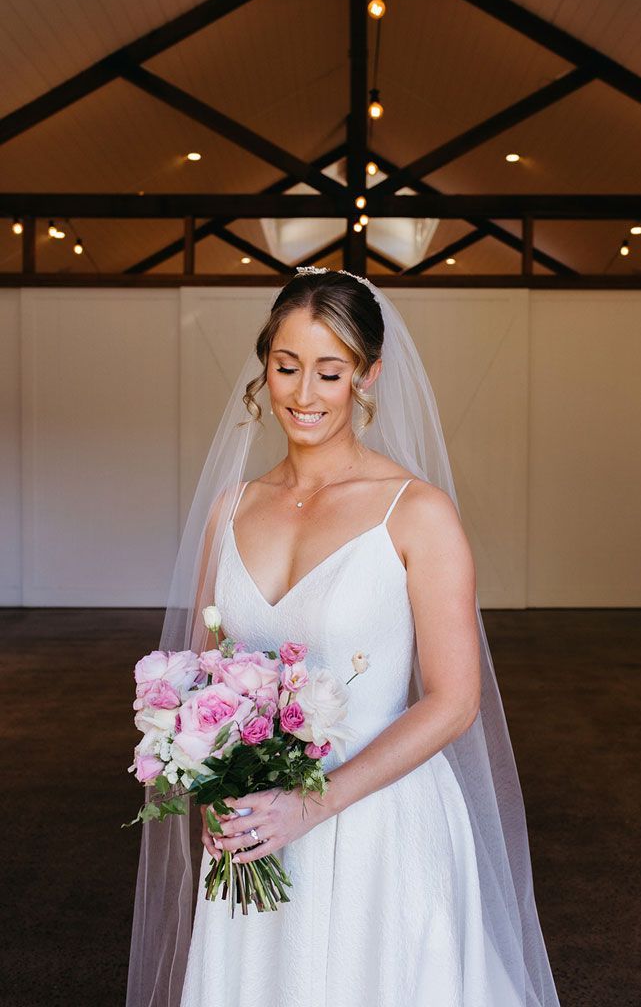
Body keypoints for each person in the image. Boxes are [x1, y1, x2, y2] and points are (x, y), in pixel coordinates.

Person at [126, 267, 561, 1007]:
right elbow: (202, 669)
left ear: (368, 376)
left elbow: (454, 701)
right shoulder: (231, 507)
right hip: (254, 821)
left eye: (329, 372)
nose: (303, 394)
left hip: (378, 825)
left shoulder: (417, 513)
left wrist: (317, 802)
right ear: (264, 364)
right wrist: (208, 765)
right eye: (286, 366)